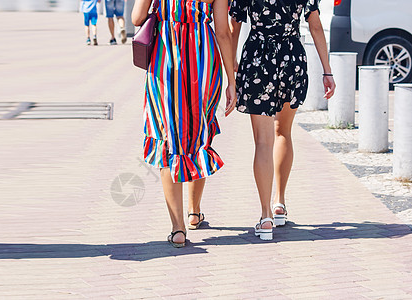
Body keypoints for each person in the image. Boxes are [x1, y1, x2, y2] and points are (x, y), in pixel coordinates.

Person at [132, 0, 237, 247]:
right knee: (199, 136)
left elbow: (137, 18)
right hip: (204, 60)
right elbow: (223, 31)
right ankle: (194, 211)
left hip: (165, 61)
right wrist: (231, 81)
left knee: (167, 137)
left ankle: (177, 228)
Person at [230, 0, 336, 240]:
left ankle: (265, 216)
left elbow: (234, 23)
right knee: (283, 132)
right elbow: (315, 26)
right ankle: (280, 203)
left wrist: (232, 62)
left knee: (263, 142)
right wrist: (327, 70)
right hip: (292, 58)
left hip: (257, 58)